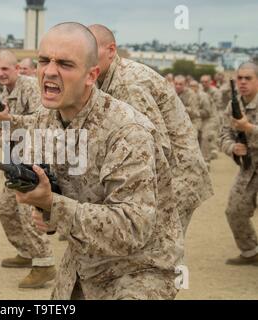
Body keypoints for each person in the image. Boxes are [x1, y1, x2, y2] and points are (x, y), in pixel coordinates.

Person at [15, 22, 183, 300]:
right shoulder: (44, 121)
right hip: (84, 261)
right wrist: (45, 208)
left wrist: (52, 205)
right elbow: (63, 194)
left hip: (139, 270)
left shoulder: (127, 131)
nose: (50, 71)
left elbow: (131, 228)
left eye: (65, 64)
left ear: (92, 75)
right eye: (44, 60)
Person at [88, 24, 212, 234]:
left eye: (92, 50)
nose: (86, 57)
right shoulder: (104, 79)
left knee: (158, 251)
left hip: (175, 178)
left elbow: (154, 145)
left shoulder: (128, 84)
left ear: (111, 50)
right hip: (164, 176)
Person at [0, 50, 56, 288]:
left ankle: (44, 263)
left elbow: (42, 120)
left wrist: (11, 120)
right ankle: (27, 251)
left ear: (17, 68)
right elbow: (4, 129)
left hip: (34, 157)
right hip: (15, 160)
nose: (1, 73)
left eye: (5, 69)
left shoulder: (30, 87)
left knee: (26, 211)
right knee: (5, 209)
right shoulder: (3, 93)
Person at [220, 62, 258, 265]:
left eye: (248, 78)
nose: (243, 82)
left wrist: (249, 128)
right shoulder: (234, 105)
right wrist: (233, 147)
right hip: (249, 167)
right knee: (235, 210)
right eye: (240, 78)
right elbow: (223, 134)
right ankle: (251, 252)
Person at [189, 80, 218, 166]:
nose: (192, 88)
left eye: (194, 86)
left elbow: (207, 112)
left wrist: (195, 112)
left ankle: (206, 161)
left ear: (197, 87)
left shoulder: (203, 96)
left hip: (209, 119)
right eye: (190, 86)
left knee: (205, 137)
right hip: (199, 120)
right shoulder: (190, 96)